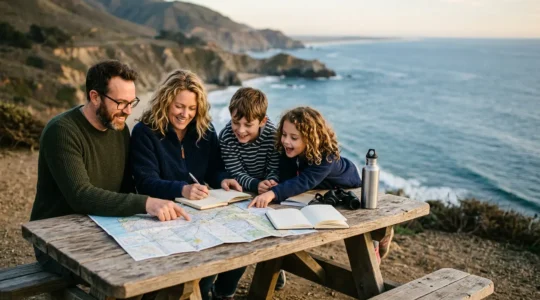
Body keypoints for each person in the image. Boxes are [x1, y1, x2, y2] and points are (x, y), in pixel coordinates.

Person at [30, 60, 190, 281]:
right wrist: (146, 203)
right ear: (95, 97)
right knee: (134, 274)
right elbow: (81, 196)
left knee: (171, 262)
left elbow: (126, 186)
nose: (128, 111)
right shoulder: (62, 132)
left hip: (106, 228)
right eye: (121, 102)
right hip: (57, 242)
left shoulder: (118, 127)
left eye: (132, 102)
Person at [130, 69, 244, 300]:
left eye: (192, 108)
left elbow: (213, 168)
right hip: (158, 215)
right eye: (179, 106)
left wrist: (222, 179)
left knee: (238, 248)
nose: (185, 114)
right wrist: (182, 189)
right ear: (166, 101)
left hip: (197, 211)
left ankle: (215, 292)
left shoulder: (205, 130)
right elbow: (145, 182)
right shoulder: (145, 132)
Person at [249, 106, 394, 261]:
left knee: (359, 228)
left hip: (348, 191)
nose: (285, 141)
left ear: (310, 138)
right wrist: (273, 185)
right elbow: (288, 178)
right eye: (284, 134)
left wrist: (273, 193)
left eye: (294, 137)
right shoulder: (288, 151)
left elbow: (305, 180)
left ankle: (378, 238)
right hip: (318, 193)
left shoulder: (327, 157)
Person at [218, 87, 287, 290]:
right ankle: (225, 288)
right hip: (240, 191)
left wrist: (270, 183)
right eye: (235, 122)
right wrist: (256, 185)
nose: (240, 130)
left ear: (262, 121)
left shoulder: (273, 136)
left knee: (274, 233)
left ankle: (274, 267)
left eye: (248, 124)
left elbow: (276, 167)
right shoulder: (226, 137)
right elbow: (234, 171)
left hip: (270, 191)